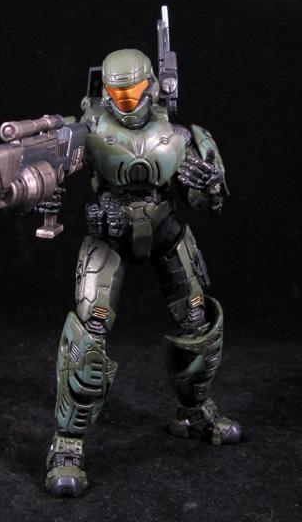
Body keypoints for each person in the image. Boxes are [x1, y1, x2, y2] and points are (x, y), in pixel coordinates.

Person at [45, 48, 242, 498]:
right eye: (117, 94)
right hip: (108, 237)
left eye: (133, 92)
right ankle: (68, 443)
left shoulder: (181, 135)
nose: (126, 102)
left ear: (151, 85)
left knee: (197, 322)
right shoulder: (88, 130)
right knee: (90, 333)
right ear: (104, 91)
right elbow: (46, 174)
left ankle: (194, 412)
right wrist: (42, 188)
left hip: (164, 230)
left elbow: (208, 203)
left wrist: (208, 183)